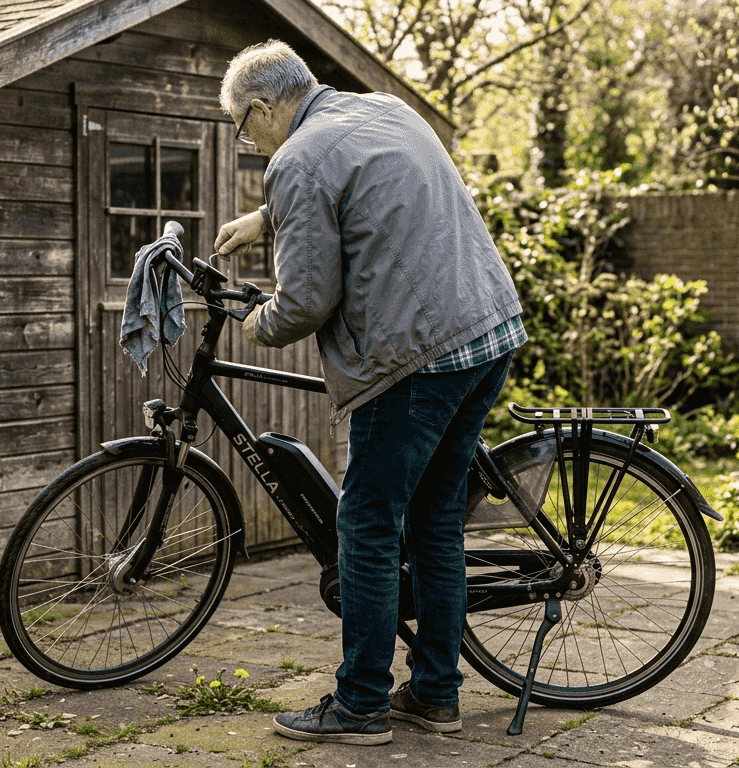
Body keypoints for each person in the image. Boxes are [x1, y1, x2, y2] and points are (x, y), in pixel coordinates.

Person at [214, 40, 526, 746]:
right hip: (486, 331)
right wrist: (265, 217)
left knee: (367, 525)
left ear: (261, 107)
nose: (248, 142)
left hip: (413, 355)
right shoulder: (384, 109)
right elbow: (358, 183)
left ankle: (359, 705)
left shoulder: (294, 160)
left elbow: (305, 301)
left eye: (241, 127)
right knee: (436, 521)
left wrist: (258, 323)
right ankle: (436, 694)